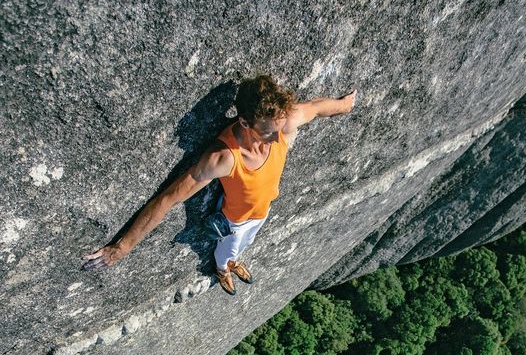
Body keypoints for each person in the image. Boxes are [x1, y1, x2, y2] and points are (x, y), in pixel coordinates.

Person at [83, 75, 357, 294]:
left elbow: (318, 108)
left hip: (261, 212)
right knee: (227, 249)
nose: (277, 139)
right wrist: (122, 247)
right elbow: (168, 199)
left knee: (245, 243)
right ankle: (223, 268)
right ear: (245, 122)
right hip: (235, 218)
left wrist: (345, 105)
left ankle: (233, 261)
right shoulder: (224, 157)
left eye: (280, 127)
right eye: (267, 133)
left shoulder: (283, 121)